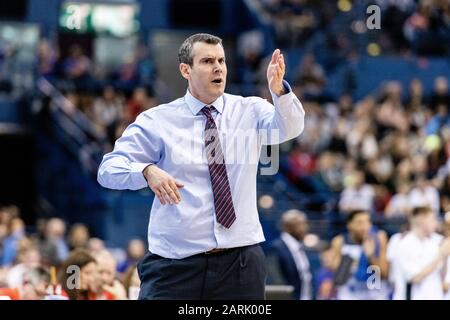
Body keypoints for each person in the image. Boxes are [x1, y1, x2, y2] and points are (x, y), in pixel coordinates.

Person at [97, 33, 305, 299]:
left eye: (221, 60)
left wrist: (279, 92)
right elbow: (108, 169)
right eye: (207, 61)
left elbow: (291, 127)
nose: (218, 67)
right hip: (176, 267)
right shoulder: (157, 120)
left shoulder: (250, 110)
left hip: (240, 263)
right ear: (186, 70)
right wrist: (146, 171)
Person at [330, 210, 389, 300]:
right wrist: (352, 261)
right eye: (360, 222)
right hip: (349, 295)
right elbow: (339, 279)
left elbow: (384, 274)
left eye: (368, 222)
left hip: (375, 295)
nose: (365, 226)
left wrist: (371, 257)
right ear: (349, 225)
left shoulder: (379, 238)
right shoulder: (339, 242)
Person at [396, 206, 450, 300]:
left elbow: (442, 275)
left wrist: (445, 256)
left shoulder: (434, 242)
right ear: (422, 221)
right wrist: (441, 255)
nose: (435, 223)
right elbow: (415, 278)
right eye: (432, 219)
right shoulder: (405, 244)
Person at [267, 210, 312, 300]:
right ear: (289, 226)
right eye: (301, 224)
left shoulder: (300, 246)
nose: (306, 228)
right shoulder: (276, 248)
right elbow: (277, 282)